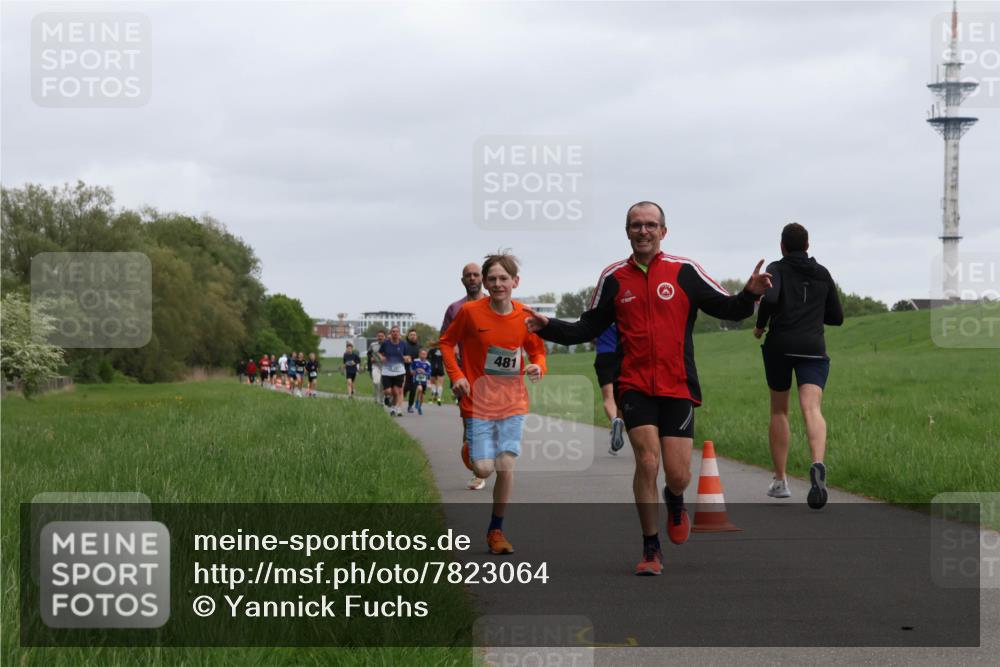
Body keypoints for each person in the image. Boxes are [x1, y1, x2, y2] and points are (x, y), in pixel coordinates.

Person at [526, 201, 771, 576]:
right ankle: (651, 547)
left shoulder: (684, 271)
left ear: (663, 231)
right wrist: (550, 326)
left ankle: (674, 498)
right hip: (634, 384)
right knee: (647, 461)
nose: (644, 231)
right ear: (627, 231)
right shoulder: (613, 278)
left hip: (677, 385)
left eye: (651, 225)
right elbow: (586, 327)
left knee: (678, 474)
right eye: (636, 225)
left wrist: (751, 294)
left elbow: (729, 309)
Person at [440, 251, 546, 554]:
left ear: (515, 281)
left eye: (504, 278)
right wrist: (457, 375)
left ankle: (496, 530)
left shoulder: (526, 316)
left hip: (513, 401)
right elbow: (446, 343)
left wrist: (538, 366)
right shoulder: (471, 313)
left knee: (505, 464)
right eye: (492, 279)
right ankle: (470, 451)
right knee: (484, 469)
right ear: (485, 282)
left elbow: (537, 351)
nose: (498, 284)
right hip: (477, 401)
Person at [753, 222, 843, 509]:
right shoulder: (822, 273)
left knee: (780, 410)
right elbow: (837, 316)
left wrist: (760, 326)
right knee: (812, 408)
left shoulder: (777, 269)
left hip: (781, 346)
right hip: (813, 348)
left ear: (782, 246)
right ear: (808, 245)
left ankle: (780, 481)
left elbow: (770, 298)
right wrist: (813, 314)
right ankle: (817, 463)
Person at [442, 263, 488, 490]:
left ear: (483, 278)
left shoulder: (495, 304)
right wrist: (455, 369)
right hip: (464, 374)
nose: (472, 278)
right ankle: (477, 469)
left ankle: (486, 459)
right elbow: (445, 343)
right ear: (463, 280)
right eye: (468, 276)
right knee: (470, 421)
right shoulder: (454, 309)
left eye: (475, 274)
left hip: (492, 374)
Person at [594, 323, 626, 456]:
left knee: (608, 397)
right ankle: (619, 423)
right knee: (621, 396)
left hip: (604, 356)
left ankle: (614, 421)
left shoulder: (599, 315)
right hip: (621, 356)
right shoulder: (622, 314)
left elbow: (591, 336)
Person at [379, 326, 408, 416]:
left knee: (396, 391)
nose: (395, 333)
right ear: (391, 333)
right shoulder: (386, 343)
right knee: (387, 391)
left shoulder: (403, 344)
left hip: (399, 371)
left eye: (397, 331)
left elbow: (408, 356)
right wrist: (382, 357)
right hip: (387, 371)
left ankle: (393, 408)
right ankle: (388, 398)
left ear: (399, 333)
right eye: (393, 331)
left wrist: (406, 358)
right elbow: (379, 353)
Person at [403, 329, 422, 413]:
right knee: (405, 387)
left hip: (415, 370)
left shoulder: (419, 346)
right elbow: (400, 355)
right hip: (405, 369)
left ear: (417, 336)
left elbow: (423, 357)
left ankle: (410, 406)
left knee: (414, 389)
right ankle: (397, 402)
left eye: (414, 335)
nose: (413, 336)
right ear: (408, 336)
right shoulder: (404, 345)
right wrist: (405, 358)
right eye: (411, 335)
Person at [410, 349, 433, 415]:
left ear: (426, 355)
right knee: (419, 389)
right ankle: (417, 401)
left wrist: (424, 372)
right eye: (422, 354)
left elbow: (429, 373)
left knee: (422, 396)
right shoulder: (415, 361)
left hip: (424, 380)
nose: (423, 355)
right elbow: (411, 367)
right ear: (419, 354)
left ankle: (420, 407)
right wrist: (413, 371)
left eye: (425, 354)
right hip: (416, 379)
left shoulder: (428, 363)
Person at [427, 340, 446, 405]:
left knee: (432, 383)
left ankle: (434, 392)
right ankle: (439, 398)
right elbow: (445, 360)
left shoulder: (431, 351)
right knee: (440, 384)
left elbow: (427, 359)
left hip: (433, 367)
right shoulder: (442, 350)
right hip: (440, 367)